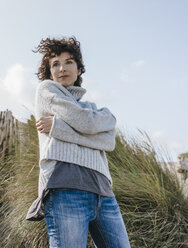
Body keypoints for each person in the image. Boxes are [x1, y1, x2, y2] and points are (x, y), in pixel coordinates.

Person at [26, 37, 131, 248]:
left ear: (79, 69)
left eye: (69, 62)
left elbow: (108, 141)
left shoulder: (91, 107)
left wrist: (59, 128)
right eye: (55, 64)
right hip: (65, 189)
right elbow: (89, 125)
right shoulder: (47, 90)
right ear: (49, 72)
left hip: (104, 193)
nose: (62, 68)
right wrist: (92, 133)